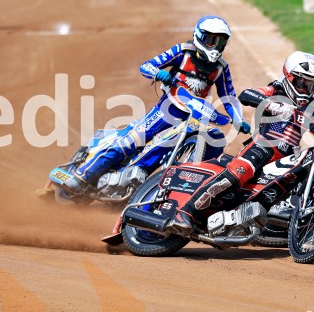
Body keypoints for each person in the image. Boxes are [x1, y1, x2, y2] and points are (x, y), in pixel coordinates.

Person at [60, 16, 251, 194]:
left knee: (160, 155)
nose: (216, 46)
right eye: (211, 40)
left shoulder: (221, 68)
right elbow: (147, 66)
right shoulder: (183, 52)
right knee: (129, 142)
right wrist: (159, 73)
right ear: (200, 37)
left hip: (193, 116)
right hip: (166, 110)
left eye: (221, 42)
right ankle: (82, 176)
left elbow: (229, 96)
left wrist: (238, 119)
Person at [170, 51, 314, 235]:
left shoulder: (312, 106)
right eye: (303, 83)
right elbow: (247, 94)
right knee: (236, 175)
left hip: (288, 157)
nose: (308, 89)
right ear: (289, 77)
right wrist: (273, 105)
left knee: (310, 171)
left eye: (313, 85)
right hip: (263, 147)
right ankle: (186, 213)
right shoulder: (276, 91)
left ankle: (310, 231)